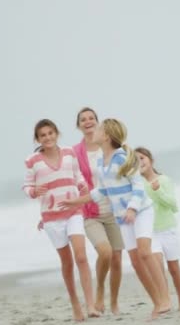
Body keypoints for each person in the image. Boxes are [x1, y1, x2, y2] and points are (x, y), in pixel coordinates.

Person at [59, 119, 171, 319]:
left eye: (99, 129)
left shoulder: (122, 157)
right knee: (136, 262)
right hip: (123, 218)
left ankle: (165, 299)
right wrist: (76, 202)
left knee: (145, 253)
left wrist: (132, 209)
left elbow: (137, 186)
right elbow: (101, 191)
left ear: (107, 136)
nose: (95, 130)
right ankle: (157, 303)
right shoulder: (102, 161)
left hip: (141, 211)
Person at [23, 119, 100, 321]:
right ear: (37, 139)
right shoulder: (33, 161)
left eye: (50, 133)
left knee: (81, 257)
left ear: (56, 133)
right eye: (43, 135)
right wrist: (33, 191)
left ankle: (90, 305)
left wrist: (83, 188)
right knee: (67, 263)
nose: (47, 137)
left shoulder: (69, 153)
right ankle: (76, 304)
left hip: (73, 211)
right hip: (51, 219)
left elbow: (78, 176)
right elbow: (26, 186)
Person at [73, 107, 124, 315]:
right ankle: (100, 289)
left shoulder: (108, 145)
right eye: (83, 119)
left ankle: (113, 302)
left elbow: (126, 170)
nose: (87, 122)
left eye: (91, 118)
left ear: (97, 122)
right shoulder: (75, 152)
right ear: (78, 125)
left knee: (118, 259)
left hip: (114, 210)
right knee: (105, 252)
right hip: (90, 211)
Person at [135, 147, 180, 315]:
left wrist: (157, 190)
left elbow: (173, 205)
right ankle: (165, 302)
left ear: (150, 159)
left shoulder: (164, 180)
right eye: (136, 161)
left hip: (168, 230)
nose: (140, 162)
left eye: (142, 158)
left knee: (174, 269)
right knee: (157, 267)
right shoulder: (138, 185)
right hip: (151, 233)